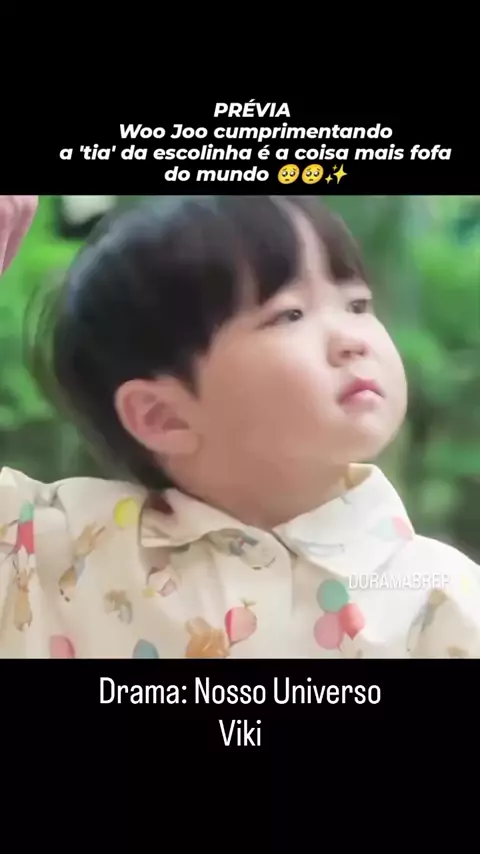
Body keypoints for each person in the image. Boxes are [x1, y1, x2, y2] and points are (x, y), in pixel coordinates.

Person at [0, 193, 479, 660]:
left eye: (357, 305)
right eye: (290, 314)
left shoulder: (442, 600)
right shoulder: (57, 548)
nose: (352, 340)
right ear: (162, 416)